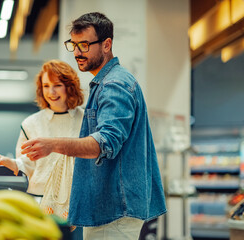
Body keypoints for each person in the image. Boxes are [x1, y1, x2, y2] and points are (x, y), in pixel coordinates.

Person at [21, 12, 167, 240]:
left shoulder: (114, 85)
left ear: (107, 44)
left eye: (85, 45)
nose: (77, 52)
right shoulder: (105, 82)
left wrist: (53, 145)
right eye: (74, 45)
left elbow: (105, 142)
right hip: (109, 207)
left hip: (116, 209)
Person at [0, 59, 84, 219]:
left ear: (70, 86)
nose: (51, 92)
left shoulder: (87, 120)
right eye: (46, 86)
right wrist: (8, 163)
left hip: (77, 205)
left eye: (57, 85)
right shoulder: (30, 123)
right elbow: (26, 165)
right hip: (38, 204)